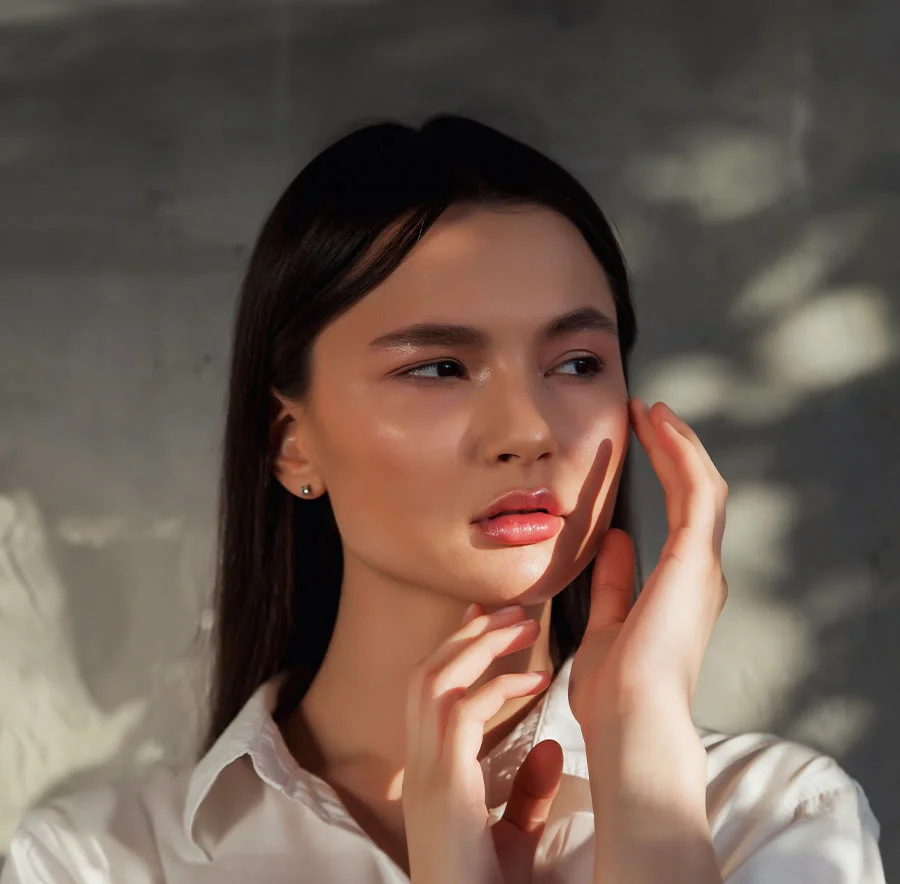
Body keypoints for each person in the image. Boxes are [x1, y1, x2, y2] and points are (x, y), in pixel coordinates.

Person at [0, 115, 885, 884]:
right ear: (290, 442)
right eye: (439, 368)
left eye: (576, 363)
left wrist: (646, 749)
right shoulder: (100, 862)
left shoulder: (772, 817)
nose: (528, 429)